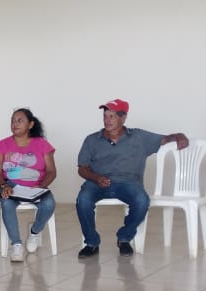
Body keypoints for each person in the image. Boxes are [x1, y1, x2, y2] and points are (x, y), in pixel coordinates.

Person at [75, 99, 189, 258]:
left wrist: (179, 135)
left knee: (142, 200)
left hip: (128, 183)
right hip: (97, 182)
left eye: (112, 116)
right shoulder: (92, 139)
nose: (107, 120)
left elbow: (165, 139)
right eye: (105, 116)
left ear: (123, 118)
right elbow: (82, 168)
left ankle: (124, 238)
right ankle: (91, 243)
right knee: (83, 200)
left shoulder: (138, 137)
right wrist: (96, 177)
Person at [0, 108, 57, 262]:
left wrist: (42, 186)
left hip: (36, 186)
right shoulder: (2, 145)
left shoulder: (42, 144)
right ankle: (16, 244)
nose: (15, 123)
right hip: (11, 185)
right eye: (13, 120)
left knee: (49, 204)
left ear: (30, 124)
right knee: (7, 203)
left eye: (20, 120)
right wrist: (4, 186)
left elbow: (51, 171)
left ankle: (34, 232)